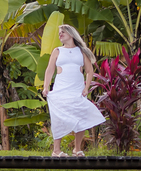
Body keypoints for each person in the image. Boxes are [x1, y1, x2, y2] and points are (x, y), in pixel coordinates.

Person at [41, 24, 106, 157]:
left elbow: (89, 71)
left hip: (77, 90)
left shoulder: (82, 51)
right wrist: (46, 87)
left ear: (71, 34)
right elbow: (49, 70)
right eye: (59, 32)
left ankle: (77, 149)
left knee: (81, 115)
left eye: (63, 32)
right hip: (61, 89)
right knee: (58, 117)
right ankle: (56, 150)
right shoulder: (57, 51)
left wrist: (86, 88)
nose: (60, 34)